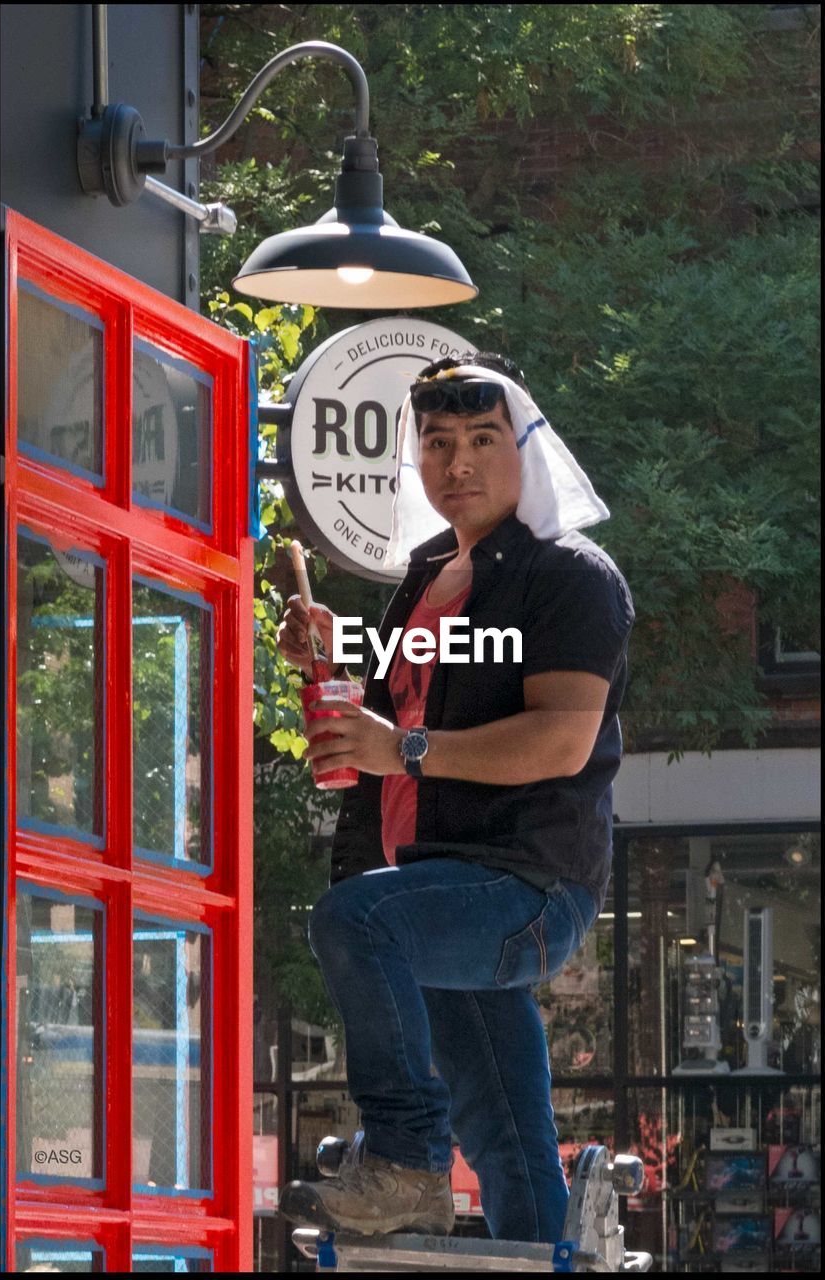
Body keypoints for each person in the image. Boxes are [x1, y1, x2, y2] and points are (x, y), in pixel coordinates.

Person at [275, 352, 635, 1242]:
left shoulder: (571, 576)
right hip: (434, 882)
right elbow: (407, 714)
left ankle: (403, 1161)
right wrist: (331, 662)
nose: (457, 463)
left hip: (523, 887)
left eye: (481, 439)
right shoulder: (426, 573)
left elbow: (559, 737)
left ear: (529, 450)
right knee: (511, 1139)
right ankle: (544, 1256)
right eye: (435, 443)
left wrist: (398, 747)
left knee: (354, 921)